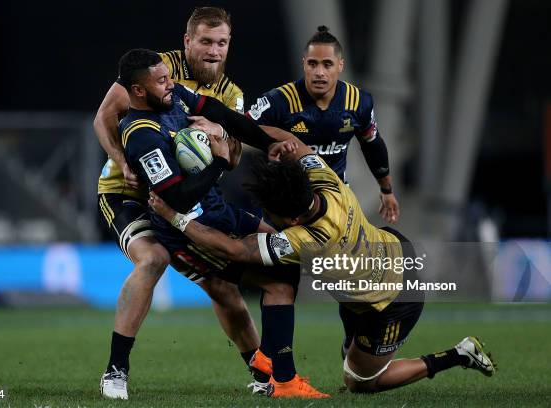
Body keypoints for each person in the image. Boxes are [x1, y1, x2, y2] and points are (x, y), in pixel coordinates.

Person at [149, 131, 496, 395]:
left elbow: (235, 250)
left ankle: (459, 354)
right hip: (389, 252)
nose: (270, 218)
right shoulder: (327, 183)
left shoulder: (309, 238)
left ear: (294, 218)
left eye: (274, 215)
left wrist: (176, 217)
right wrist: (255, 137)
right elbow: (296, 145)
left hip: (394, 302)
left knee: (360, 380)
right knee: (350, 347)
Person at [118, 48, 329, 399]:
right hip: (189, 228)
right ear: (139, 91)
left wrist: (267, 144)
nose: (171, 84)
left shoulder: (171, 98)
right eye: (161, 81)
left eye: (169, 76)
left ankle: (268, 363)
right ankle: (282, 378)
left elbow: (218, 112)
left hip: (218, 209)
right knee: (270, 280)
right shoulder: (142, 136)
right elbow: (178, 200)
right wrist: (217, 163)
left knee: (288, 259)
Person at [95, 8, 256, 400]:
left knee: (223, 287)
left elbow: (232, 159)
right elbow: (104, 117)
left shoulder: (231, 95)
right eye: (206, 41)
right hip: (127, 193)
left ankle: (263, 372)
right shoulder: (157, 70)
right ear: (188, 42)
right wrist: (121, 161)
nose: (214, 51)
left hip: (182, 200)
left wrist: (219, 138)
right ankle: (115, 372)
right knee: (153, 259)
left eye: (222, 43)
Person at [247, 26, 400, 224]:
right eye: (313, 64)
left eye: (327, 64)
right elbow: (242, 128)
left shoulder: (358, 102)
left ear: (340, 65)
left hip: (334, 200)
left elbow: (372, 145)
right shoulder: (280, 100)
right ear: (304, 64)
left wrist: (386, 190)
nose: (319, 72)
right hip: (286, 205)